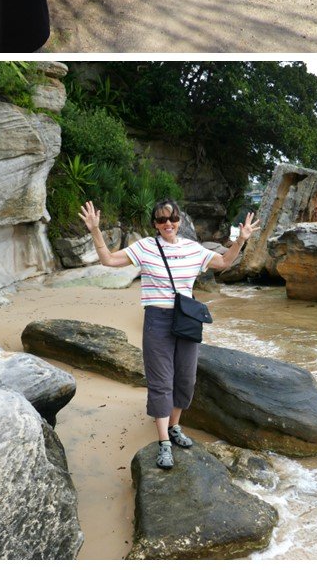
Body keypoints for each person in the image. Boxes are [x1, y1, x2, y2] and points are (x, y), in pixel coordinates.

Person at [79, 198, 257, 468]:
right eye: (161, 220)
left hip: (186, 319)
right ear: (155, 224)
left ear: (179, 221)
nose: (168, 224)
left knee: (186, 380)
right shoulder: (146, 247)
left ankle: (174, 427)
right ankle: (164, 442)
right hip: (157, 320)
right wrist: (94, 229)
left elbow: (223, 262)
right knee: (161, 382)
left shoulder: (192, 248)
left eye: (172, 218)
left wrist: (241, 240)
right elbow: (108, 260)